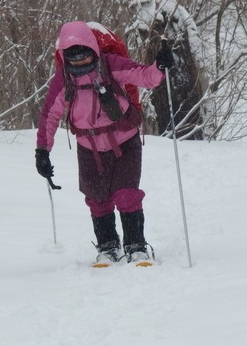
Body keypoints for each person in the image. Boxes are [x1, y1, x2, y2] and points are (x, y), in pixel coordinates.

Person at [35, 21, 174, 266]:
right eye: (73, 60)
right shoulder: (63, 77)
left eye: (84, 59)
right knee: (97, 199)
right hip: (89, 147)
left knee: (127, 194)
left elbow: (143, 76)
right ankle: (108, 247)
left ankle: (136, 246)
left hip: (125, 141)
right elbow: (50, 114)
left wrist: (159, 66)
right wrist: (42, 150)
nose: (79, 64)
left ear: (92, 50)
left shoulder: (110, 64)